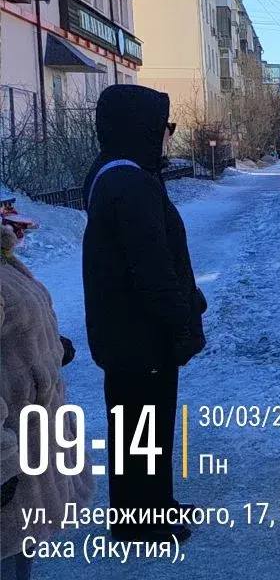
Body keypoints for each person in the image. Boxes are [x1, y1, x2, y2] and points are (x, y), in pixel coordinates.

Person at [81, 85, 206, 543]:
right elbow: (152, 267)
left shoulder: (118, 174)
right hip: (139, 333)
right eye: (164, 127)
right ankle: (140, 521)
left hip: (128, 331)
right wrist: (181, 322)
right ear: (143, 130)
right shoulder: (129, 183)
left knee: (141, 423)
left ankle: (153, 504)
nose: (168, 135)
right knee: (142, 425)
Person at [2, 212, 94, 580]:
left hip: (29, 443)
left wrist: (48, 348)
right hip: (12, 453)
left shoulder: (5, 262)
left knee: (19, 553)